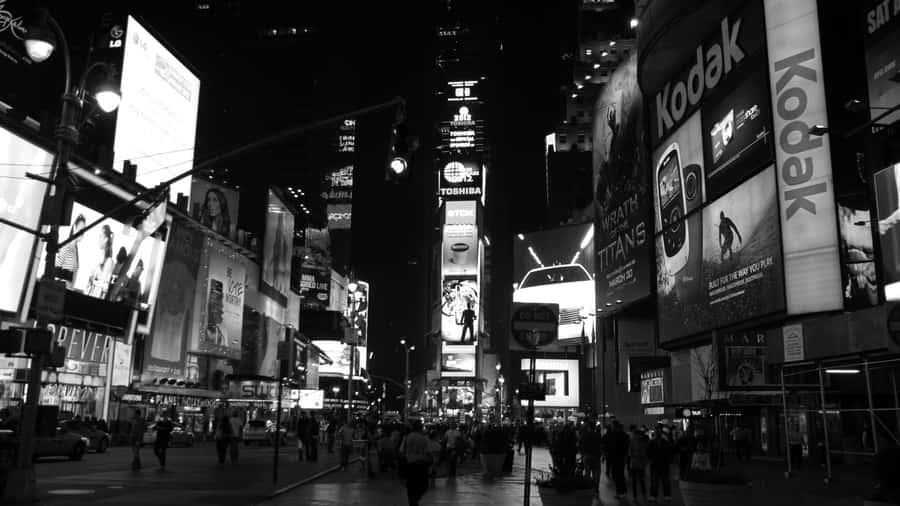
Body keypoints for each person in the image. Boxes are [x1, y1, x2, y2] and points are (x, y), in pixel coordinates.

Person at [401, 419, 432, 506]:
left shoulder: (407, 437)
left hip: (411, 464)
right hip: (422, 464)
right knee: (422, 486)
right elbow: (428, 452)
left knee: (411, 487)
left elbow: (402, 450)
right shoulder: (424, 439)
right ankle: (415, 499)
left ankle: (413, 501)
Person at [55, 214, 85, 289]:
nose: (82, 234)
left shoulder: (75, 249)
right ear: (74, 227)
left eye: (84, 231)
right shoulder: (66, 247)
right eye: (81, 230)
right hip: (60, 290)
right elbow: (55, 273)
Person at [87, 224, 114, 297]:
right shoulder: (99, 257)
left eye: (100, 236)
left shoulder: (109, 261)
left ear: (106, 239)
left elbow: (104, 287)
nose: (98, 239)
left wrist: (94, 281)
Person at [648, 426, 674, 502]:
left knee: (663, 481)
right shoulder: (653, 442)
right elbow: (648, 452)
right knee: (656, 481)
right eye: (657, 432)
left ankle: (665, 495)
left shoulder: (661, 442)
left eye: (658, 432)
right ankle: (656, 495)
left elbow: (669, 452)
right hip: (657, 464)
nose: (657, 433)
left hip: (662, 464)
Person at [606, 421, 631, 500]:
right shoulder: (623, 435)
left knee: (618, 475)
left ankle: (621, 491)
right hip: (619, 457)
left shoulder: (615, 435)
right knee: (619, 474)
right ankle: (621, 492)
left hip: (617, 457)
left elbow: (611, 446)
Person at [629, 426, 649, 502]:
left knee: (637, 481)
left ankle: (636, 497)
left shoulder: (634, 442)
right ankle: (641, 496)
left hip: (636, 464)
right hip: (638, 464)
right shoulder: (640, 442)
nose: (636, 436)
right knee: (640, 481)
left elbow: (630, 453)